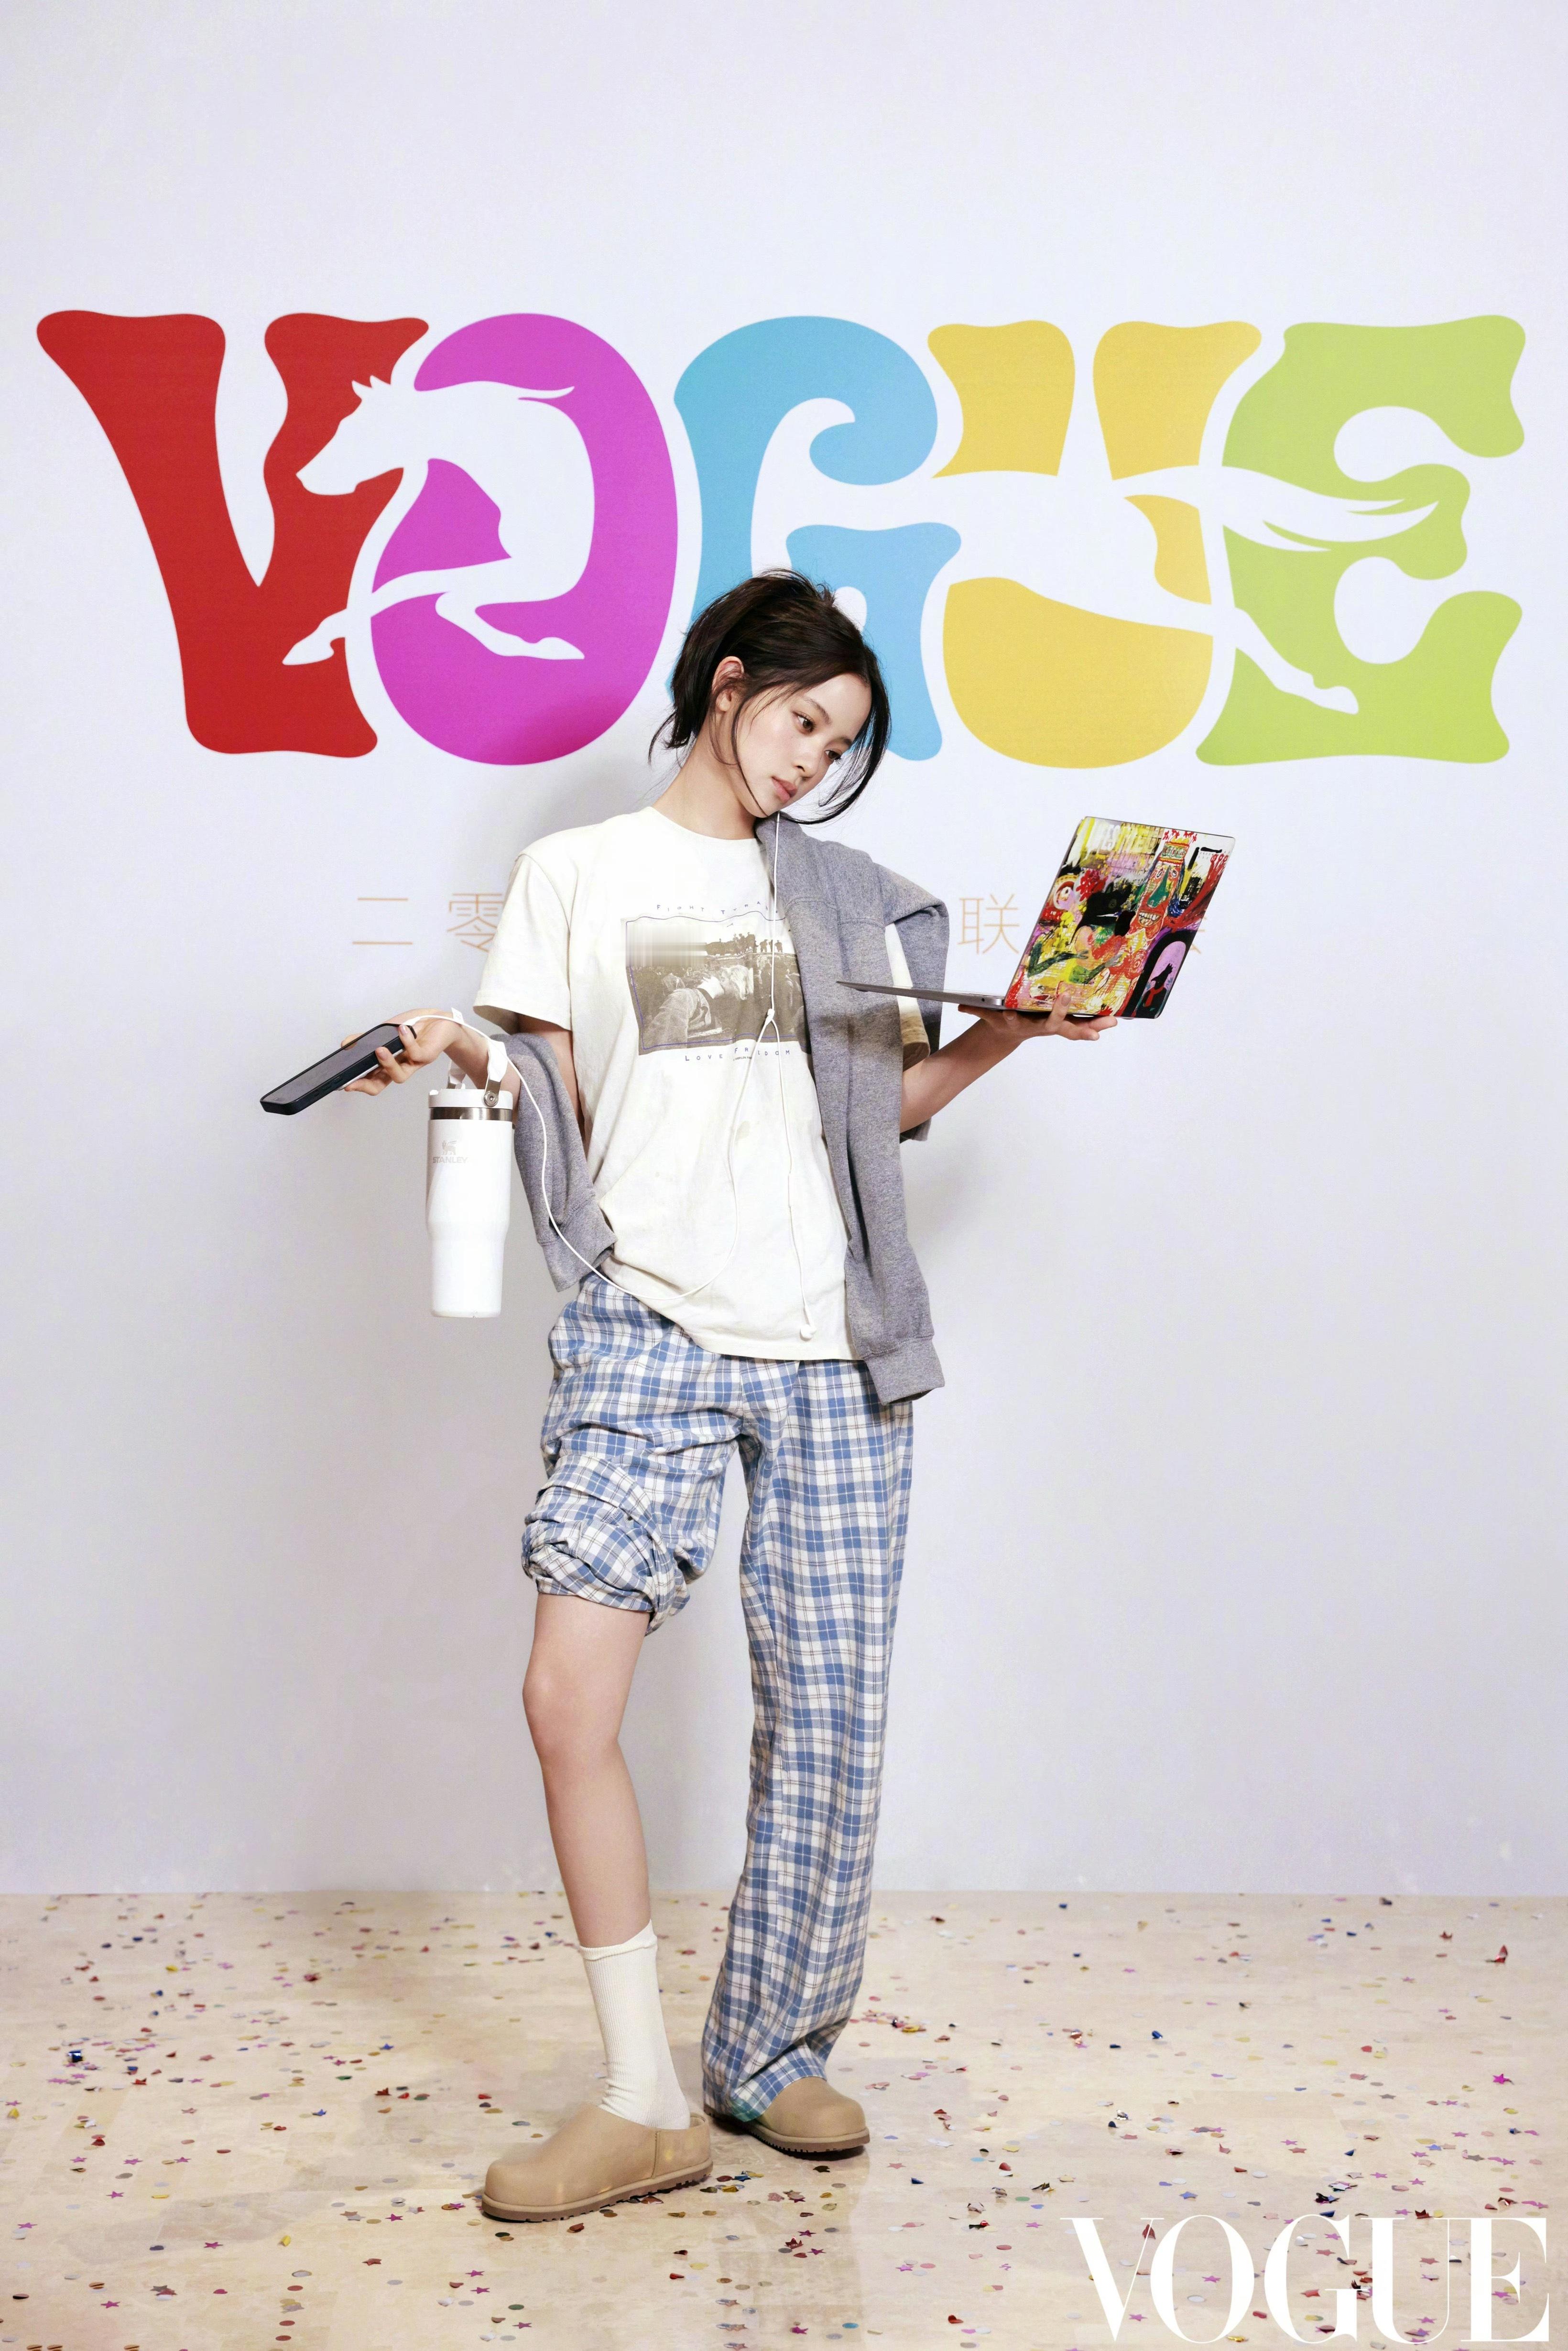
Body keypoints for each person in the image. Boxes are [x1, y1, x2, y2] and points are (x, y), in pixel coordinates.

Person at [346, 571, 1116, 2223]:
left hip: (834, 1338)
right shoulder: (578, 875)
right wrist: (462, 1054)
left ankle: (768, 2056)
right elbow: (551, 1094)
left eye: (838, 748)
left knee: (829, 1710)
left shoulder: (830, 897)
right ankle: (643, 2098)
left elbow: (873, 1114)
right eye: (801, 723)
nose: (810, 763)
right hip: (652, 1328)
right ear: (727, 686)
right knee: (568, 1698)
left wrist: (1017, 1034)